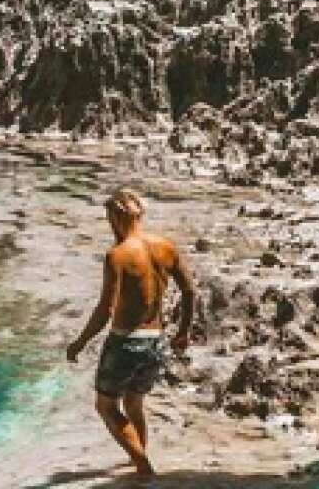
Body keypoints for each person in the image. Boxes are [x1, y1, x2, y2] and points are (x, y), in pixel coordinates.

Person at [66, 189, 196, 476]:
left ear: (116, 216)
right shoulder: (166, 246)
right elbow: (189, 291)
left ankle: (143, 467)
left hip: (125, 342)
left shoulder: (118, 255)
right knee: (134, 402)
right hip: (156, 341)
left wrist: (80, 342)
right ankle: (139, 458)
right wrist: (183, 331)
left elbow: (106, 310)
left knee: (106, 406)